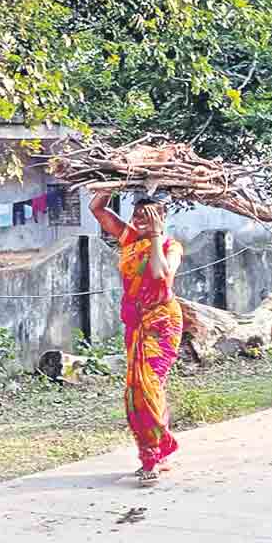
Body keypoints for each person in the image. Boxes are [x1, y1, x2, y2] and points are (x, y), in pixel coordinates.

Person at [89, 192, 184, 485]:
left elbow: (159, 274)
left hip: (162, 324)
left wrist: (155, 237)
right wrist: (115, 180)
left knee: (148, 386)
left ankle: (152, 458)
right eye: (138, 215)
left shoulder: (171, 246)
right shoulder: (128, 238)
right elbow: (96, 207)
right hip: (136, 323)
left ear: (163, 217)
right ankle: (160, 446)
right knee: (136, 390)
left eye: (149, 215)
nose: (141, 220)